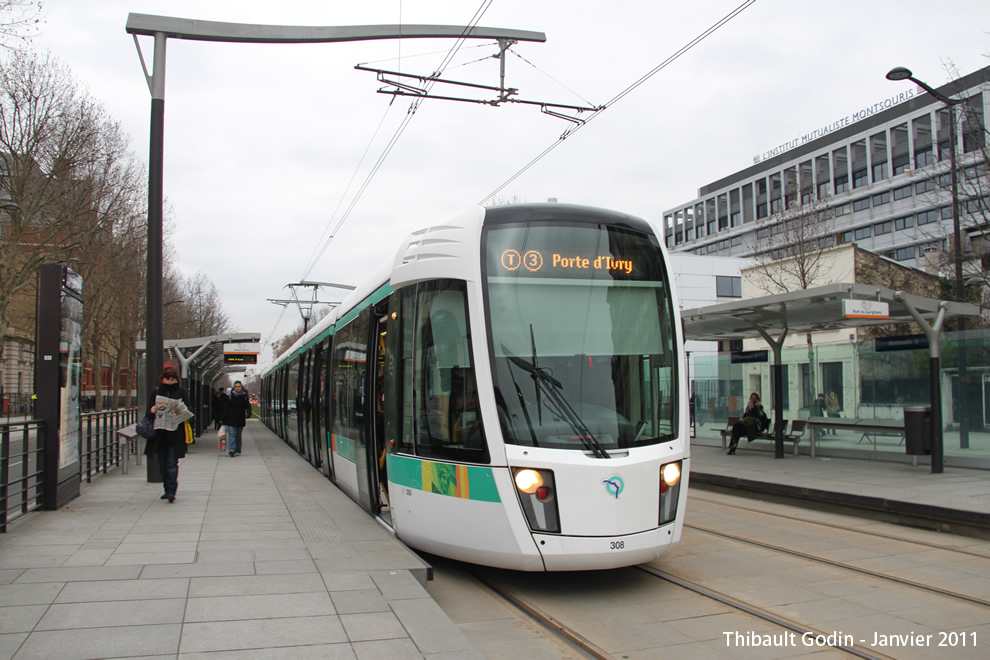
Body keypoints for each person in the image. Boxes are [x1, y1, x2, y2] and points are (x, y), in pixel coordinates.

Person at [144, 366, 190, 503]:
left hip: (175, 435)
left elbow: (190, 409)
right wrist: (152, 410)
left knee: (171, 464)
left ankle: (171, 491)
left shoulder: (181, 392)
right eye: (167, 379)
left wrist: (180, 411)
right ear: (162, 379)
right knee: (163, 465)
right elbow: (148, 412)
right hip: (160, 435)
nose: (170, 382)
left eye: (172, 379)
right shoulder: (156, 392)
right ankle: (166, 489)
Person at [223, 381, 252, 457]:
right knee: (232, 434)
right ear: (234, 387)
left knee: (238, 435)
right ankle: (231, 449)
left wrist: (249, 412)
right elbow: (226, 408)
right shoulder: (230, 396)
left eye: (239, 386)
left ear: (241, 387)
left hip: (240, 418)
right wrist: (223, 419)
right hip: (231, 418)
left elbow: (247, 405)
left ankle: (238, 450)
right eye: (236, 386)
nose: (237, 388)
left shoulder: (244, 396)